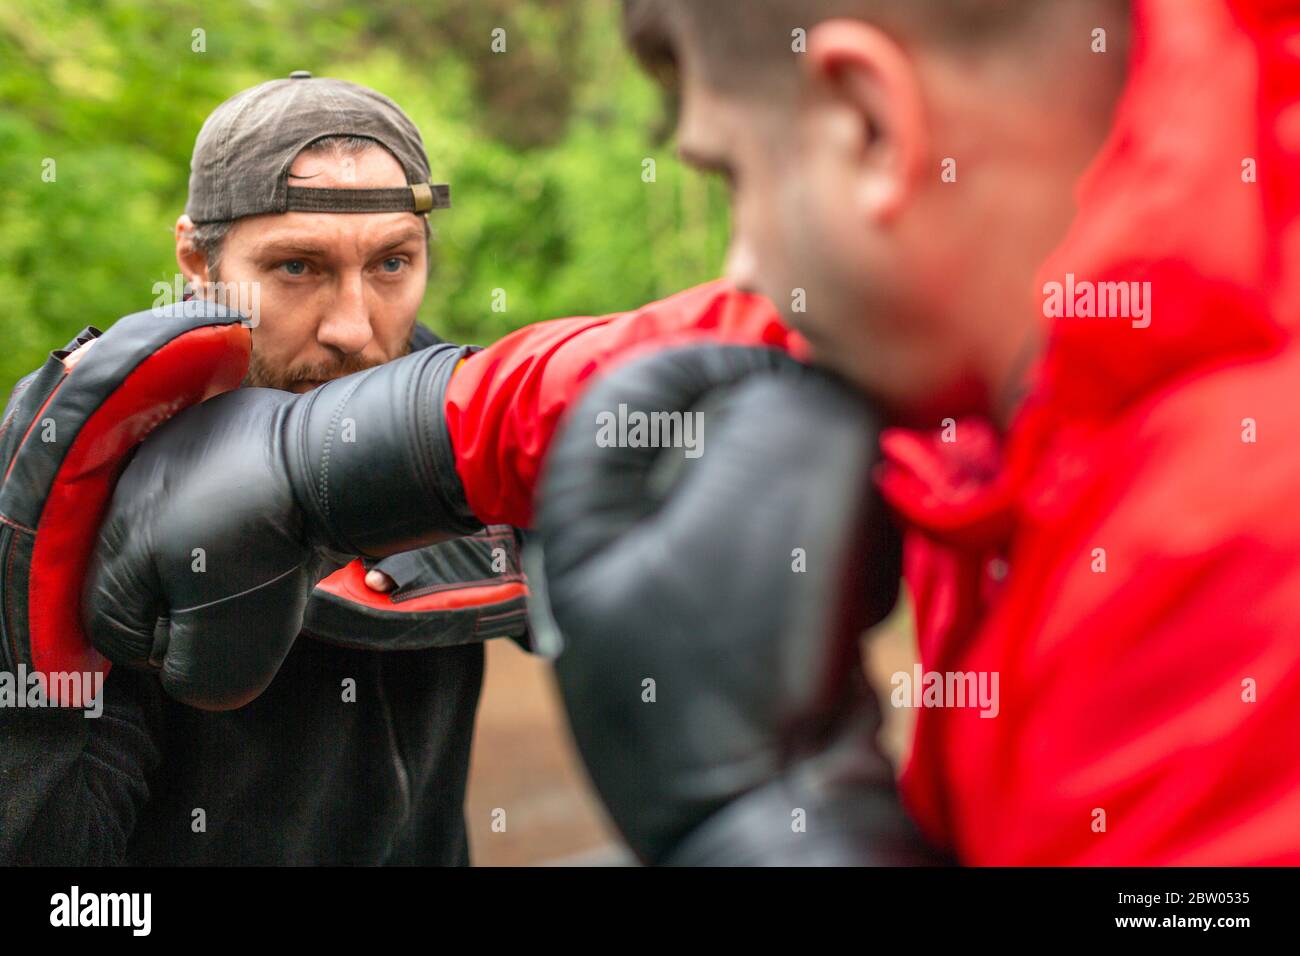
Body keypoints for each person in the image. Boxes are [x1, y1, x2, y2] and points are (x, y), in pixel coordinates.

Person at [75, 0, 1300, 864]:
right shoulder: (1126, 256)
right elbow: (739, 335)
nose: (746, 257)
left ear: (870, 126)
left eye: (732, 179)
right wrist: (410, 431)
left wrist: (761, 831)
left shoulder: (1228, 546)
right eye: (298, 267)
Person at [0, 75, 531, 865]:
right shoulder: (101, 477)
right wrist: (29, 672)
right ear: (196, 261)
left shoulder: (459, 420)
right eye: (296, 268)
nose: (355, 329)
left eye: (392, 263)